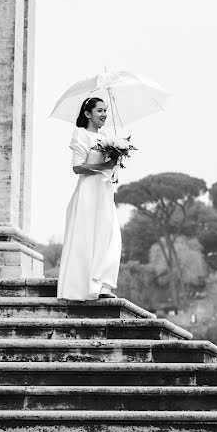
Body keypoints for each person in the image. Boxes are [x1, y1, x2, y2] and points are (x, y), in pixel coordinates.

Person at [57, 97, 122, 300]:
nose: (104, 114)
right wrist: (104, 166)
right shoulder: (81, 134)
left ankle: (103, 284)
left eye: (105, 110)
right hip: (87, 193)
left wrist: (116, 161)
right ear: (88, 114)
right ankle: (85, 286)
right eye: (100, 111)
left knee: (109, 236)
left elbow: (110, 169)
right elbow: (77, 168)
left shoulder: (108, 137)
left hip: (104, 192)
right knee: (87, 236)